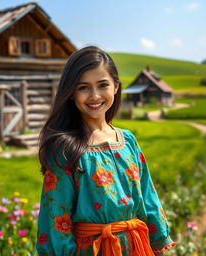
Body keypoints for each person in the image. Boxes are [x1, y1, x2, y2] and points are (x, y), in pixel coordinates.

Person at [36, 46, 177, 255]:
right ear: (71, 93)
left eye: (103, 85)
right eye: (83, 87)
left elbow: (148, 196)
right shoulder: (65, 149)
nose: (95, 96)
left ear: (116, 87)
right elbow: (57, 219)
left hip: (137, 247)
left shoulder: (127, 141)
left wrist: (157, 244)